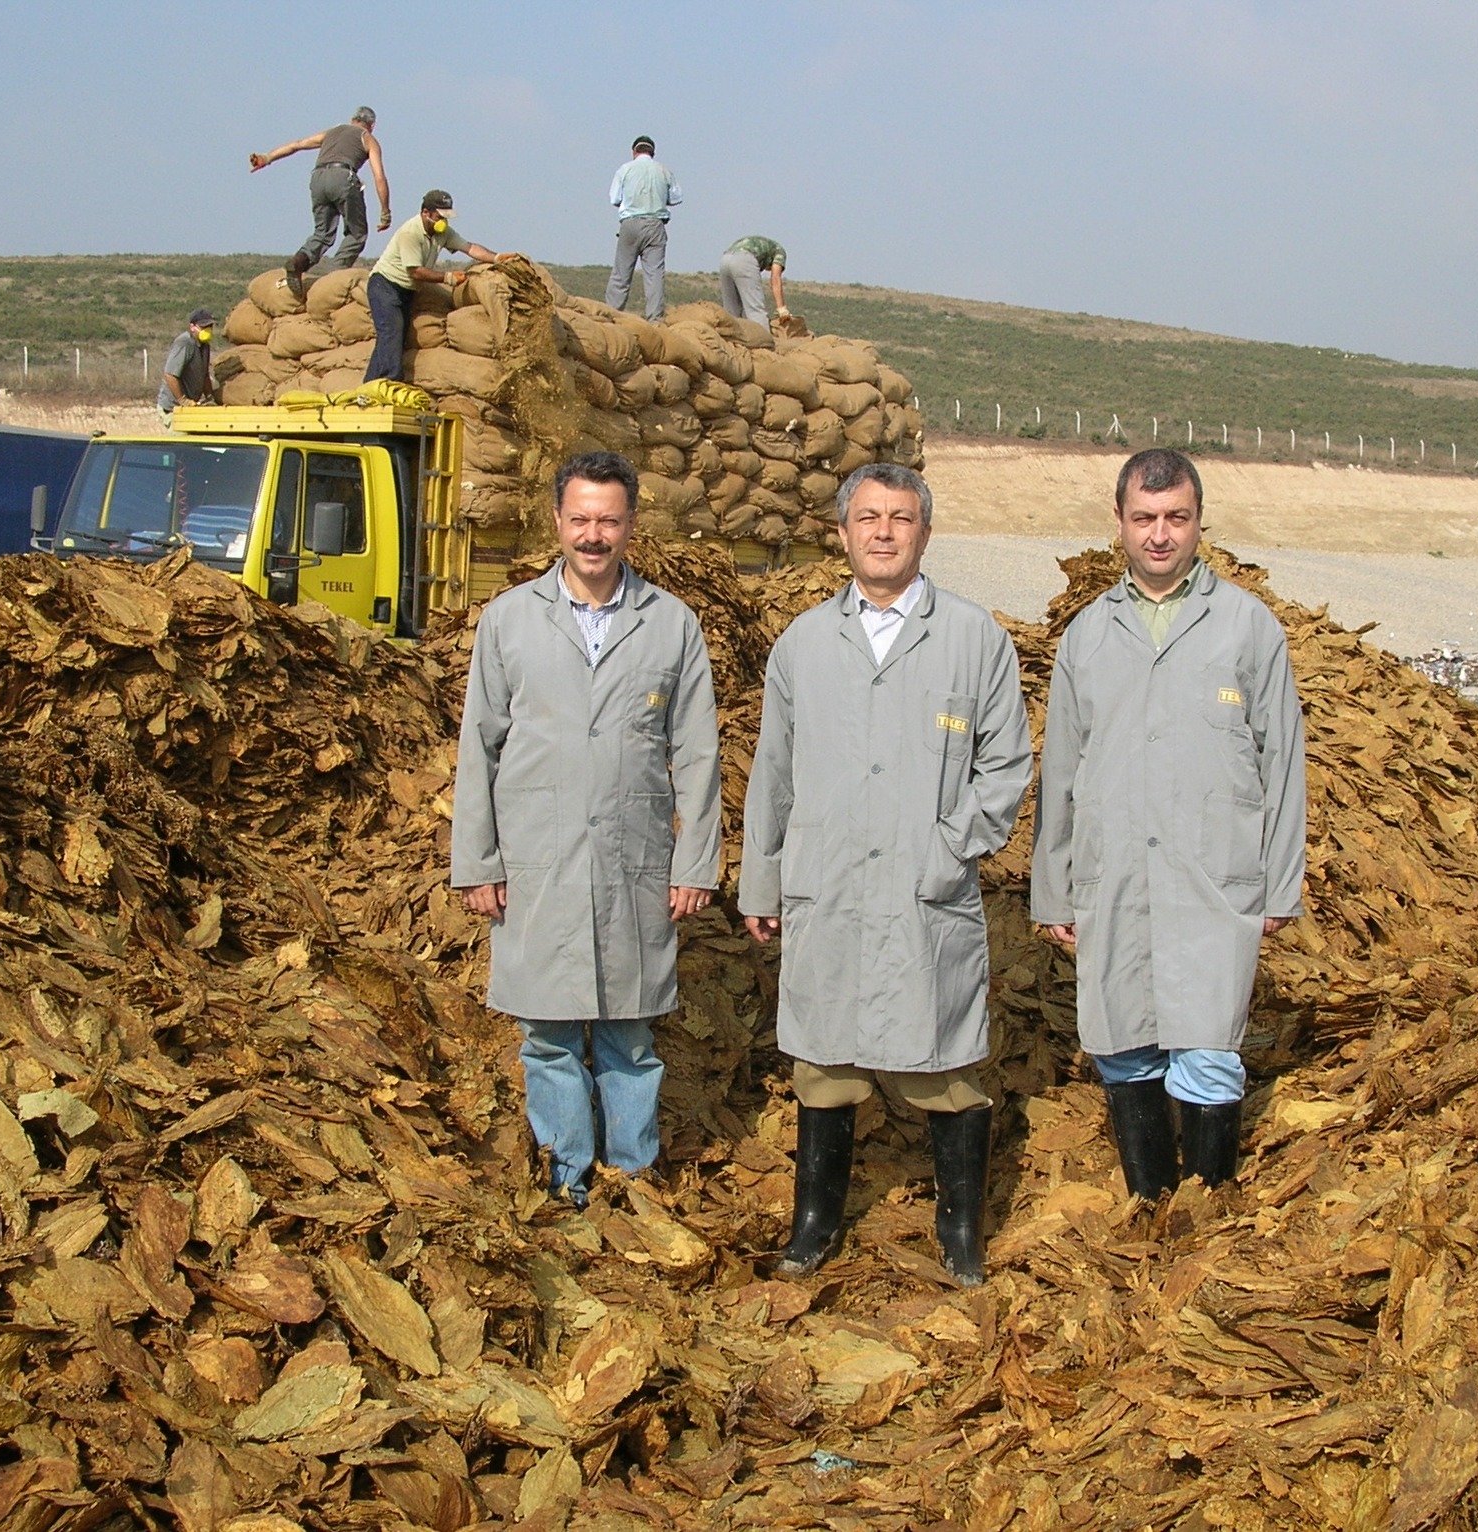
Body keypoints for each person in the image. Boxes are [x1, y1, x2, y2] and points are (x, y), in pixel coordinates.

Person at [742, 463, 1032, 1284]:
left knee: (940, 1058)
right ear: (841, 533)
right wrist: (762, 881)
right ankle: (815, 1220)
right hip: (827, 884)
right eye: (866, 517)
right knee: (823, 1061)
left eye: (899, 518)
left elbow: (1006, 764)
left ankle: (960, 1226)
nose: (881, 532)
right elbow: (775, 773)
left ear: (924, 534)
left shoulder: (974, 639)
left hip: (921, 888)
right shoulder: (803, 643)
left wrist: (952, 843)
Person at [1030, 448, 1307, 1201]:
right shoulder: (1088, 635)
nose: (1160, 535)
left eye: (1176, 519)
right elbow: (1061, 773)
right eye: (1144, 519)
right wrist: (1053, 891)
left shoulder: (1248, 630)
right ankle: (1150, 1209)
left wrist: (1280, 884)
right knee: (1124, 1044)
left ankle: (1205, 1212)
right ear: (1118, 523)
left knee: (1209, 1046)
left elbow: (1282, 763)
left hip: (1211, 877)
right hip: (1115, 871)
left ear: (1198, 524)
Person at [452, 452, 722, 1206]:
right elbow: (481, 744)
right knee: (547, 1036)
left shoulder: (670, 624)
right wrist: (477, 862)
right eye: (580, 519)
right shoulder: (508, 620)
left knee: (630, 1037)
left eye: (608, 519)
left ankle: (633, 1178)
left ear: (632, 525)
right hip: (537, 859)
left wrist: (695, 862)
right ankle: (566, 1178)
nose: (593, 535)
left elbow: (698, 753)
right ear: (557, 522)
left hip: (633, 860)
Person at [363, 191, 518, 384]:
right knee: (391, 332)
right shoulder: (410, 233)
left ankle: (369, 385)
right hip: (385, 285)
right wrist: (448, 278)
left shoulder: (442, 232)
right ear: (426, 213)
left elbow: (469, 248)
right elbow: (415, 272)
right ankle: (391, 382)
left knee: (395, 337)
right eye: (440, 216)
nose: (444, 221)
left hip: (406, 291)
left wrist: (496, 257)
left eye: (446, 217)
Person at [250, 107, 393, 293]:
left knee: (322, 233)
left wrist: (266, 157)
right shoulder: (367, 138)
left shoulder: (332, 132)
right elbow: (379, 177)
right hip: (343, 177)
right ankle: (335, 274)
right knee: (357, 233)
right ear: (372, 125)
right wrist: (385, 212)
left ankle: (299, 262)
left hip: (317, 178)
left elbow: (298, 144)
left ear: (352, 119)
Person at [604, 136, 682, 323]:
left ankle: (610, 316)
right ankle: (655, 320)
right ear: (652, 153)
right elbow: (677, 197)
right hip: (655, 224)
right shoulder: (664, 170)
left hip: (630, 223)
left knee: (621, 273)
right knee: (654, 275)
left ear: (634, 151)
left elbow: (614, 199)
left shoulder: (625, 169)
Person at [157, 309, 217, 419]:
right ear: (192, 327)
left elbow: (204, 375)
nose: (208, 330)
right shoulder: (184, 343)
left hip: (190, 407)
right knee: (182, 435)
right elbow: (170, 375)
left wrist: (210, 397)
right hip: (172, 408)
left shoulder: (205, 346)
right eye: (203, 327)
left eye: (210, 327)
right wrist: (183, 400)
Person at [719, 236, 790, 327]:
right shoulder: (779, 251)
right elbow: (775, 279)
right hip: (744, 259)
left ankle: (730, 339)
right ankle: (763, 340)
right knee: (755, 310)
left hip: (725, 259)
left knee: (731, 312)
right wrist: (782, 309)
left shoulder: (763, 245)